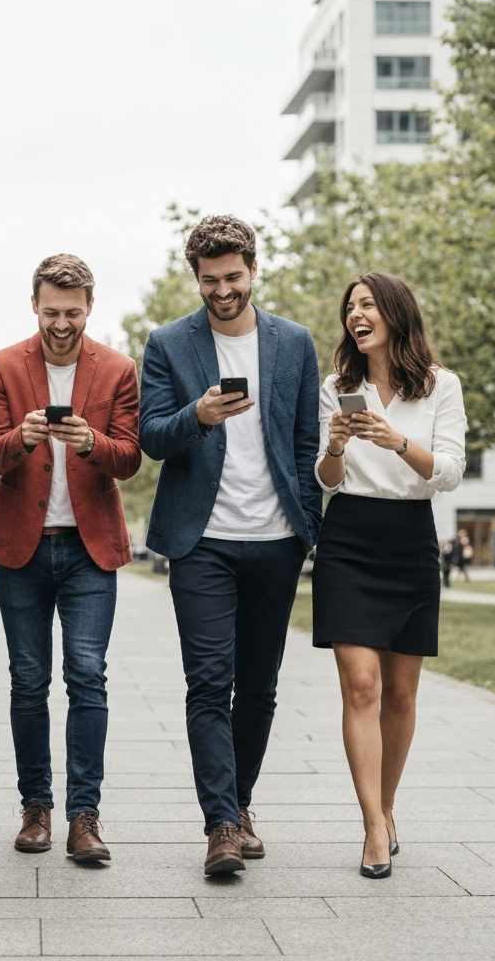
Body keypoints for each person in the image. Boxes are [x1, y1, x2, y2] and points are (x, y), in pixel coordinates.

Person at [139, 216, 321, 876]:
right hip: (202, 542)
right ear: (196, 278)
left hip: (276, 541)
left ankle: (240, 805)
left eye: (233, 277)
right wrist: (198, 416)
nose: (223, 291)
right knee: (210, 682)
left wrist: (308, 529)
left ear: (253, 270)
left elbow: (307, 442)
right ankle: (220, 825)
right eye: (210, 280)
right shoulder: (168, 343)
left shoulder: (294, 342)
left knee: (260, 687)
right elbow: (150, 436)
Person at [0, 254, 141, 862]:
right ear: (34, 306)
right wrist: (19, 438)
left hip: (89, 551)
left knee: (88, 676)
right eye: (51, 312)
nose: (62, 324)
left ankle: (85, 817)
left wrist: (93, 443)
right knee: (28, 680)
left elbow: (131, 456)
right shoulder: (2, 366)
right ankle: (36, 808)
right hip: (20, 549)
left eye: (73, 312)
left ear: (89, 307)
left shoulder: (118, 369)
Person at [313, 272, 466, 879]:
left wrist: (397, 441)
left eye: (368, 304)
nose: (356, 315)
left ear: (397, 313)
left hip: (410, 539)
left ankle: (387, 807)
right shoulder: (337, 387)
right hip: (348, 537)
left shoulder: (441, 385)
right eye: (350, 307)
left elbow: (448, 472)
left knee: (401, 694)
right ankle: (373, 827)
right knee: (362, 686)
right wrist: (335, 446)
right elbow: (326, 479)